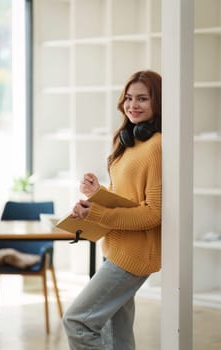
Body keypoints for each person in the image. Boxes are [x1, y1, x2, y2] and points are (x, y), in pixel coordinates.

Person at [63, 70, 162, 350]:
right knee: (115, 335)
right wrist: (96, 194)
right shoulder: (128, 141)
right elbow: (126, 198)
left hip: (133, 254)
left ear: (158, 102)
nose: (133, 105)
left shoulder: (156, 147)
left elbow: (153, 212)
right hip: (114, 248)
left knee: (77, 321)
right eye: (129, 98)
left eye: (143, 98)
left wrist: (96, 213)